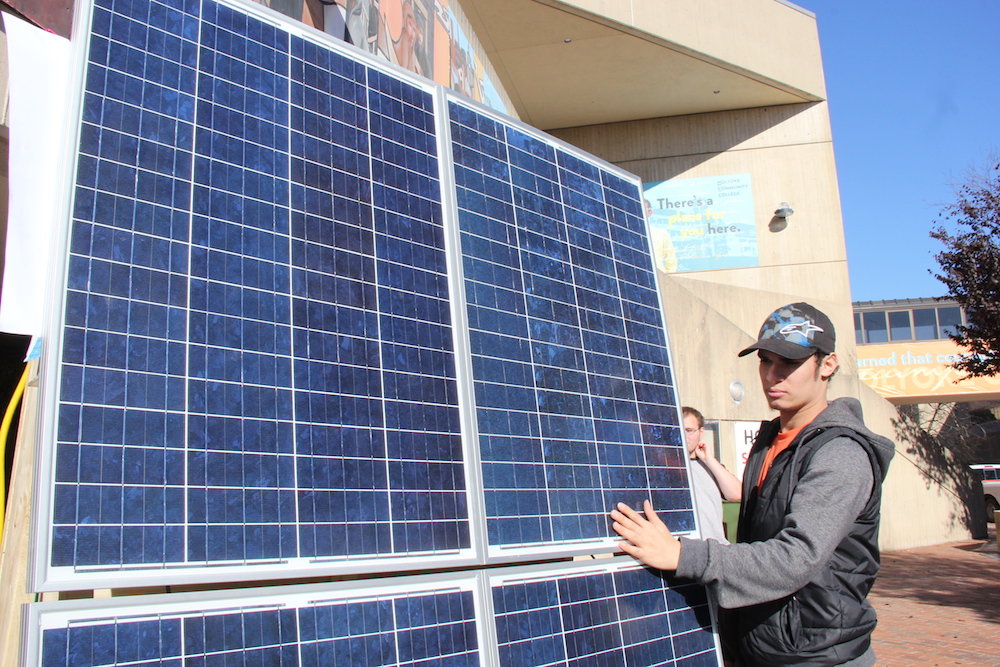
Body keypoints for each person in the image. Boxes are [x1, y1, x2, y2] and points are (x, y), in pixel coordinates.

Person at [611, 302, 895, 667]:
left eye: (789, 363)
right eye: (765, 360)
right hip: (757, 643)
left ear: (827, 365)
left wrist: (682, 555)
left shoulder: (841, 453)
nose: (772, 375)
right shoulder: (771, 440)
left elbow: (796, 558)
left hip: (815, 655)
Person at [682, 406, 741, 542]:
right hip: (682, 553)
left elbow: (736, 494)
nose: (684, 436)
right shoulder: (660, 468)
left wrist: (709, 460)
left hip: (716, 550)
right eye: (679, 429)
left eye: (689, 431)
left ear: (701, 432)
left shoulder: (711, 466)